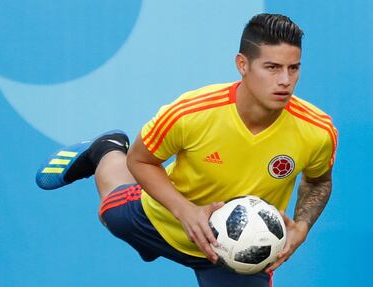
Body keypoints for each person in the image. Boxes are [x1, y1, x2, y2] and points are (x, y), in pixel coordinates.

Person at [36, 13, 337, 287]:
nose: (285, 80)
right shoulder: (191, 113)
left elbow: (318, 180)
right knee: (109, 213)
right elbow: (140, 160)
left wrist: (302, 226)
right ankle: (105, 148)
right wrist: (185, 212)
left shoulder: (317, 130)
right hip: (161, 219)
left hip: (240, 255)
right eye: (272, 67)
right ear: (242, 65)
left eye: (293, 68)